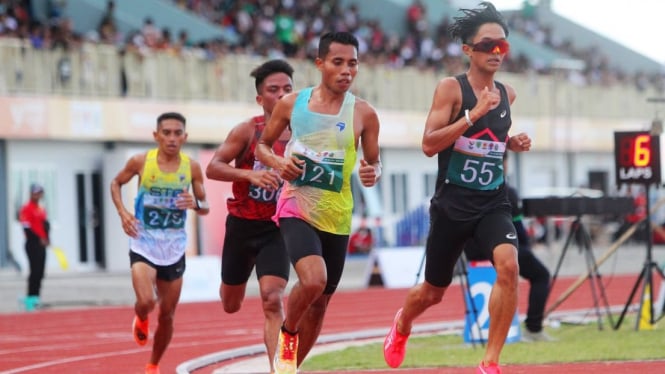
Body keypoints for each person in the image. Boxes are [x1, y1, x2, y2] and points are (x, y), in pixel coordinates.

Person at [382, 3, 532, 373]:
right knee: (433, 291)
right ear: (468, 50)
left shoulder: (508, 94)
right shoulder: (451, 89)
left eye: (503, 45)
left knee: (509, 267)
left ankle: (490, 362)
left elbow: (490, 139)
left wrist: (510, 142)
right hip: (452, 204)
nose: (497, 52)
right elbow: (430, 144)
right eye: (488, 45)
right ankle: (402, 323)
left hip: (492, 200)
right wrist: (473, 114)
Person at [256, 31, 382, 374]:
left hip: (337, 214)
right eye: (337, 62)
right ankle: (288, 332)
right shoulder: (292, 104)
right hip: (297, 204)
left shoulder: (364, 114)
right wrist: (280, 163)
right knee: (313, 281)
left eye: (352, 63)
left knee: (321, 304)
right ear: (320, 64)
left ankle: (287, 369)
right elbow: (262, 147)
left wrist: (372, 172)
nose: (346, 70)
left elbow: (373, 160)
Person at [205, 59, 294, 373]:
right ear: (261, 98)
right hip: (242, 227)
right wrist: (250, 176)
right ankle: (231, 283)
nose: (281, 94)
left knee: (272, 298)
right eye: (273, 90)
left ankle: (278, 369)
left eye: (287, 89)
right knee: (231, 304)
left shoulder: (303, 135)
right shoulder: (248, 130)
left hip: (278, 228)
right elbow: (213, 167)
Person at [110, 112, 209, 374]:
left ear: (185, 137)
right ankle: (141, 317)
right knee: (146, 301)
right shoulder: (141, 162)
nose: (172, 138)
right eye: (167, 133)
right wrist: (123, 214)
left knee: (167, 314)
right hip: (143, 244)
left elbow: (205, 205)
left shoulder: (192, 167)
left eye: (178, 133)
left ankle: (153, 365)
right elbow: (116, 183)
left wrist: (195, 204)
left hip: (174, 249)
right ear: (156, 136)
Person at [464, 153, 553, 343]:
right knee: (541, 275)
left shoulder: (467, 189)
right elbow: (519, 232)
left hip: (473, 251)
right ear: (502, 163)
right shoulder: (507, 191)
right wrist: (527, 251)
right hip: (502, 249)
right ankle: (534, 327)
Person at [18, 183, 50, 312]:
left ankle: (36, 298)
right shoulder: (26, 208)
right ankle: (30, 298)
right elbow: (26, 228)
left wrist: (47, 238)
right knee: (34, 271)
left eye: (40, 193)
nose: (38, 195)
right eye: (36, 193)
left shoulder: (41, 209)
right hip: (32, 244)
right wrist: (39, 239)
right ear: (31, 194)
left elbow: (45, 226)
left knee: (41, 272)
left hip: (42, 244)